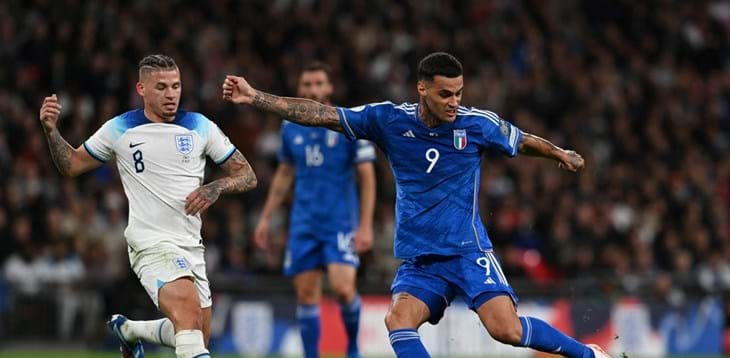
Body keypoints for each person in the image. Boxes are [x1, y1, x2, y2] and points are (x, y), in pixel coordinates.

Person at [222, 52, 612, 358]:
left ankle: (589, 354)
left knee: (505, 331)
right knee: (398, 320)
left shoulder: (476, 125)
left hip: (467, 251)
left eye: (459, 93)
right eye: (445, 94)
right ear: (421, 88)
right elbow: (322, 114)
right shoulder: (388, 120)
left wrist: (559, 153)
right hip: (422, 259)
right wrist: (257, 97)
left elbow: (522, 140)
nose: (454, 102)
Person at [39, 54, 257, 358]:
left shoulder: (200, 127)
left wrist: (215, 187)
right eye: (162, 87)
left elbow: (247, 175)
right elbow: (72, 164)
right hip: (150, 242)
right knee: (188, 320)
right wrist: (51, 132)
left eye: (176, 86)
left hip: (190, 245)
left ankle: (129, 330)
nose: (171, 94)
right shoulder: (120, 128)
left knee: (195, 332)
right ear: (141, 89)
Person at [253, 62, 376, 358]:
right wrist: (266, 217)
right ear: (299, 89)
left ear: (330, 87)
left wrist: (365, 225)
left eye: (319, 83)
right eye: (307, 84)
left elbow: (367, 175)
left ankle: (353, 349)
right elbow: (284, 174)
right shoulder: (289, 126)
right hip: (303, 223)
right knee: (307, 295)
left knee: (343, 289)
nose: (312, 89)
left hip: (340, 222)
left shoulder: (348, 123)